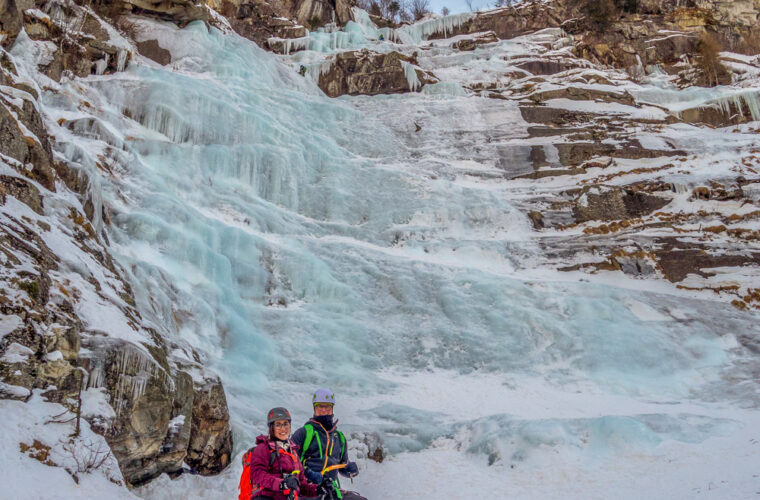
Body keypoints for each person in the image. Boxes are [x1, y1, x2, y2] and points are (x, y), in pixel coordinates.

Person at [292, 389, 365, 500]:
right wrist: (308, 473)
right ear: (314, 408)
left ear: (332, 408)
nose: (324, 410)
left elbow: (342, 466)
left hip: (330, 489)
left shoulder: (339, 437)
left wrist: (350, 470)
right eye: (320, 406)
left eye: (328, 407)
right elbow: (289, 462)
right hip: (307, 489)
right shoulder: (303, 433)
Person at [242, 407, 319, 500]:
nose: (283, 429)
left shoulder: (293, 453)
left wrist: (319, 489)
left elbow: (302, 486)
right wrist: (281, 484)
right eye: (278, 425)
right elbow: (257, 474)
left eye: (286, 424)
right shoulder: (263, 448)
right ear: (271, 428)